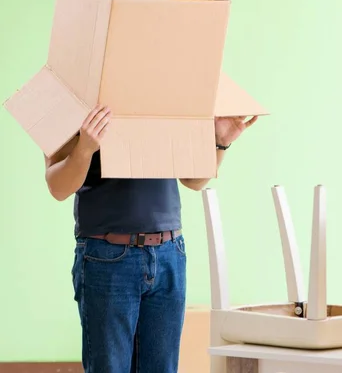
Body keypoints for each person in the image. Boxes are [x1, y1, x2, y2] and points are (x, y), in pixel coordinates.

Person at [44, 104, 258, 373]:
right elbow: (58, 186)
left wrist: (219, 142)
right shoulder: (70, 96)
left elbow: (193, 180)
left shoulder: (165, 96)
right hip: (107, 257)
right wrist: (85, 148)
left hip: (169, 254)